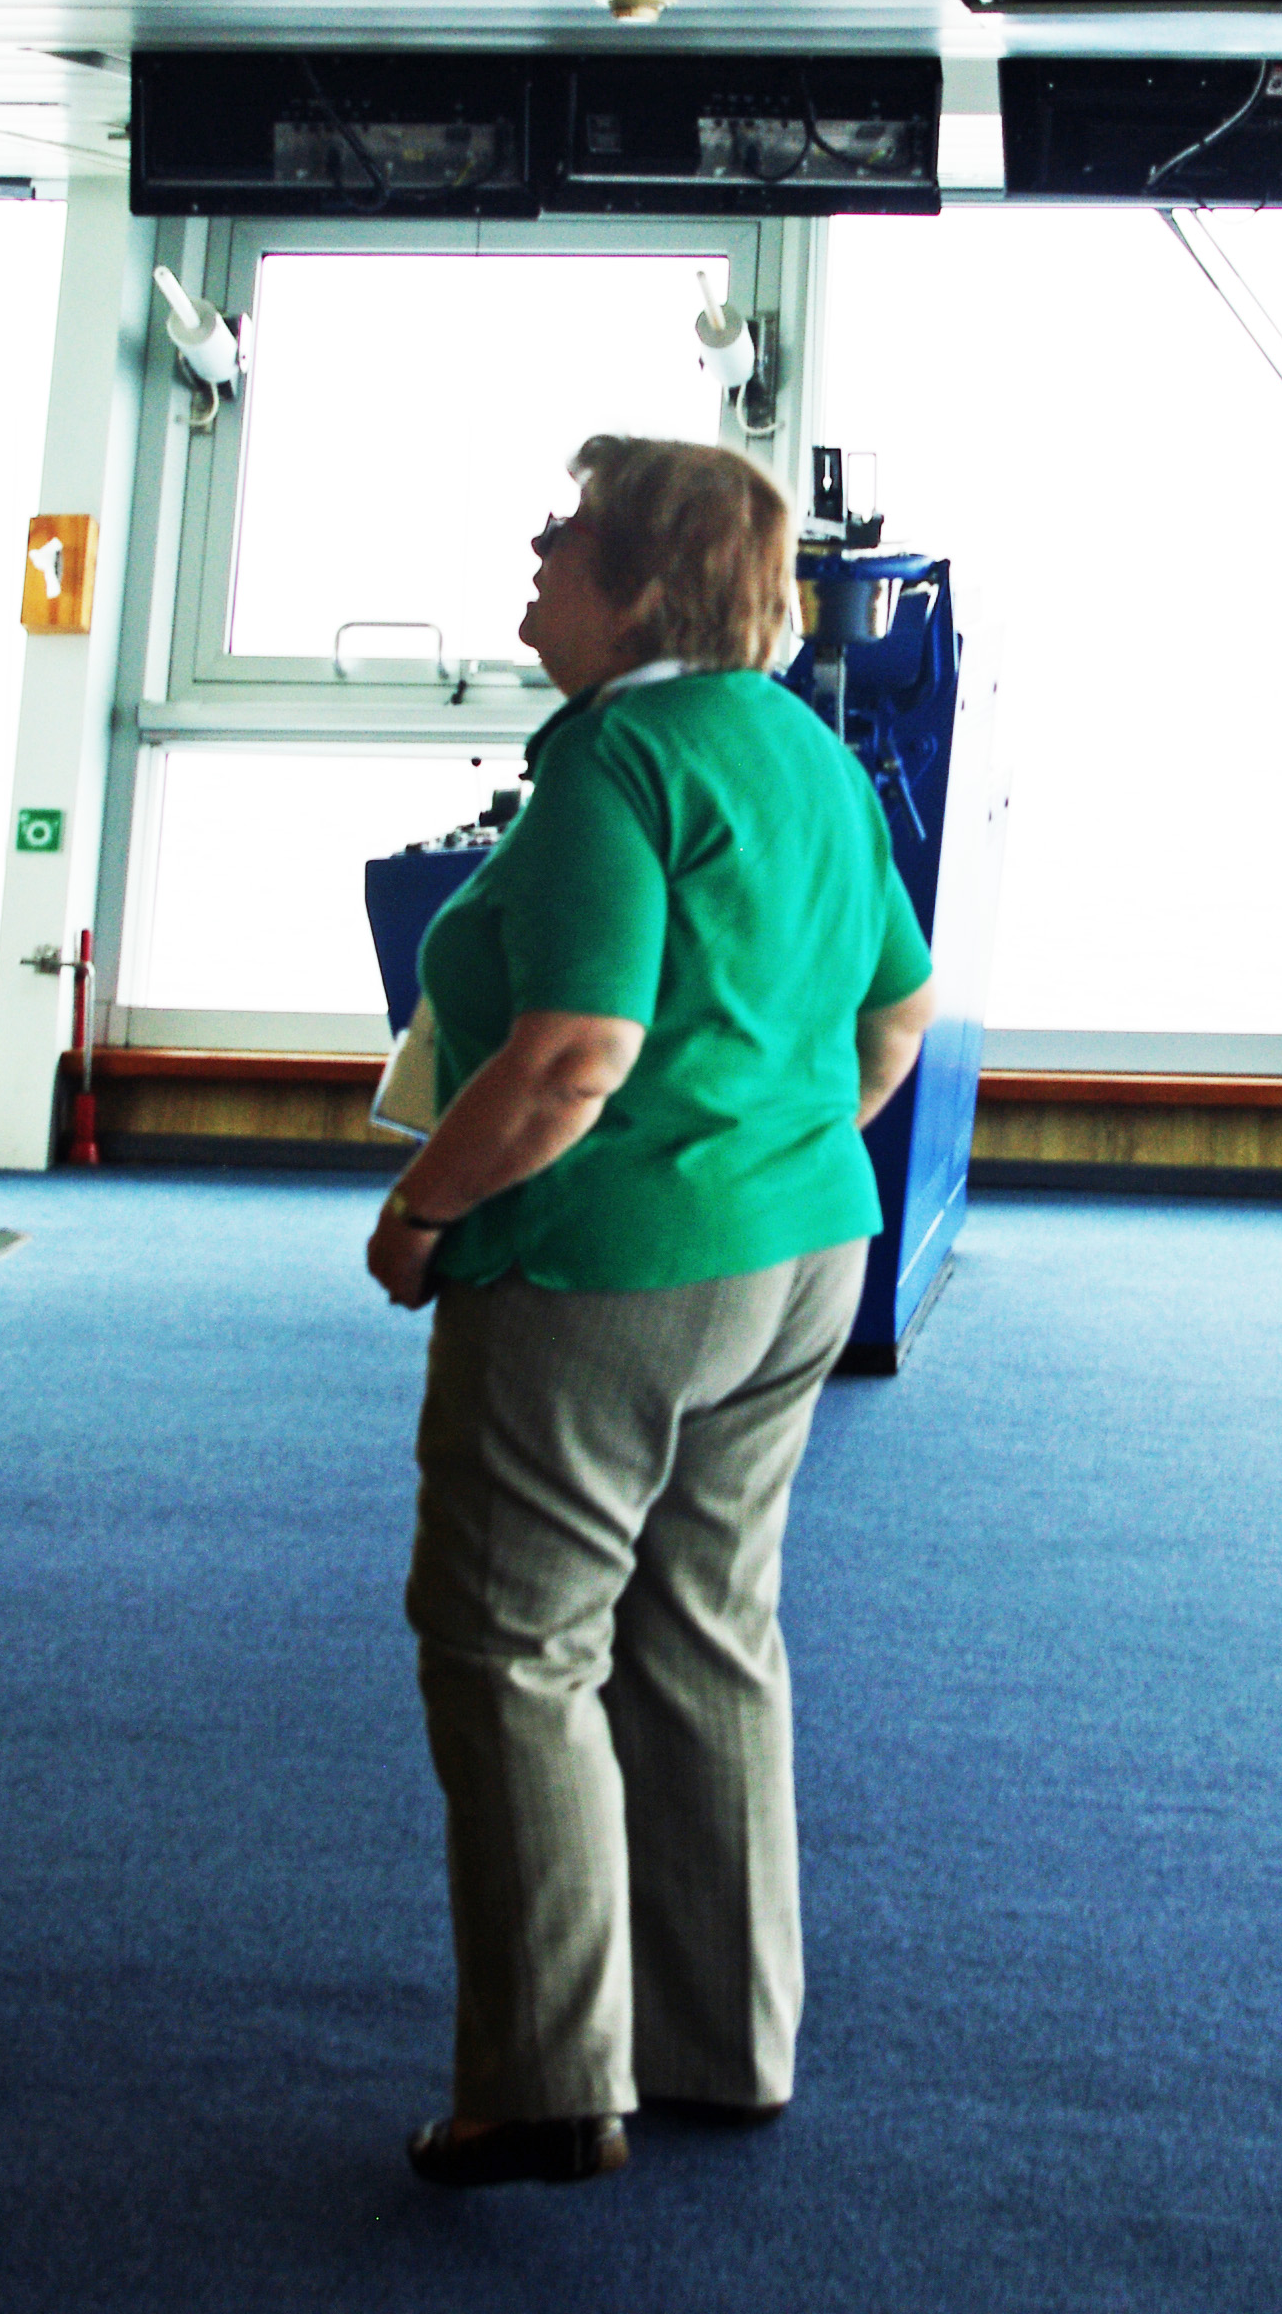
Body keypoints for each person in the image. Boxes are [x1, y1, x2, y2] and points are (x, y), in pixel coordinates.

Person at [365, 432, 941, 2191]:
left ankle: (545, 2093)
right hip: (798, 1265)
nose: (533, 553)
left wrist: (425, 1204)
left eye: (564, 534)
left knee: (517, 1647)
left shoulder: (617, 761)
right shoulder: (808, 755)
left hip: (605, 1275)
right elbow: (896, 1021)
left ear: (639, 586)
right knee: (704, 1631)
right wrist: (758, 1163)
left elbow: (572, 1057)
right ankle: (723, 2045)